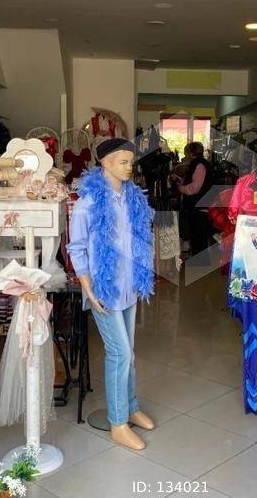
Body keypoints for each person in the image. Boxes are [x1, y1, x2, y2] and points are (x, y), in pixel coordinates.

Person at [67, 138, 156, 451]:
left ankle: (130, 407)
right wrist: (88, 289)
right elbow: (76, 247)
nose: (129, 167)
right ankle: (118, 423)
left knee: (129, 352)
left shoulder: (132, 197)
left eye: (131, 162)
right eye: (123, 162)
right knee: (119, 353)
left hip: (128, 286)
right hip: (103, 290)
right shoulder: (88, 202)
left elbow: (140, 239)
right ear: (105, 162)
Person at [173, 142, 214, 257]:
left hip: (199, 208)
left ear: (191, 153)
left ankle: (200, 263)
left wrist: (181, 188)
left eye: (186, 153)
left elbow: (194, 188)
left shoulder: (199, 165)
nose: (185, 155)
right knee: (197, 238)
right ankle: (198, 262)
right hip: (198, 207)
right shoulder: (198, 164)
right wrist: (181, 182)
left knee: (198, 239)